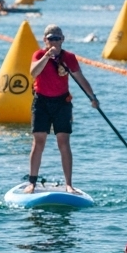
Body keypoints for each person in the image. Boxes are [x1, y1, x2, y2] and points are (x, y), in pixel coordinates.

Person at [24, 25, 101, 194]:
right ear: (45, 40)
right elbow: (33, 72)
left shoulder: (69, 58)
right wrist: (46, 57)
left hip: (62, 102)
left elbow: (80, 78)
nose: (53, 42)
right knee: (39, 141)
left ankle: (69, 184)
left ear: (62, 40)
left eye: (57, 38)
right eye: (50, 38)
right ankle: (32, 182)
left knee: (63, 142)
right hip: (41, 102)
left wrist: (92, 97)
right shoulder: (38, 54)